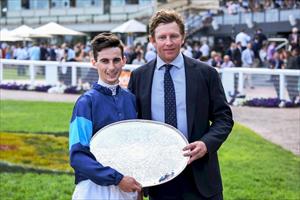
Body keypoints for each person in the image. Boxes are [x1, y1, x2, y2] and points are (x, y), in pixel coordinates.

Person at [128, 9, 233, 200]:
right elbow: (134, 128)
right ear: (152, 40)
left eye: (174, 36)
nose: (168, 42)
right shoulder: (139, 76)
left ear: (183, 37)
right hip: (158, 178)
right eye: (162, 37)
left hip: (200, 177)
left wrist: (206, 144)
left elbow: (224, 118)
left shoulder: (206, 74)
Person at [69, 33, 142, 200]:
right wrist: (117, 179)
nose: (111, 67)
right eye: (105, 61)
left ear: (124, 60)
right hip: (93, 190)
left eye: (116, 60)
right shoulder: (85, 103)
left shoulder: (130, 99)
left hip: (127, 188)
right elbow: (77, 156)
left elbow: (135, 147)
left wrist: (139, 187)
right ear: (94, 62)